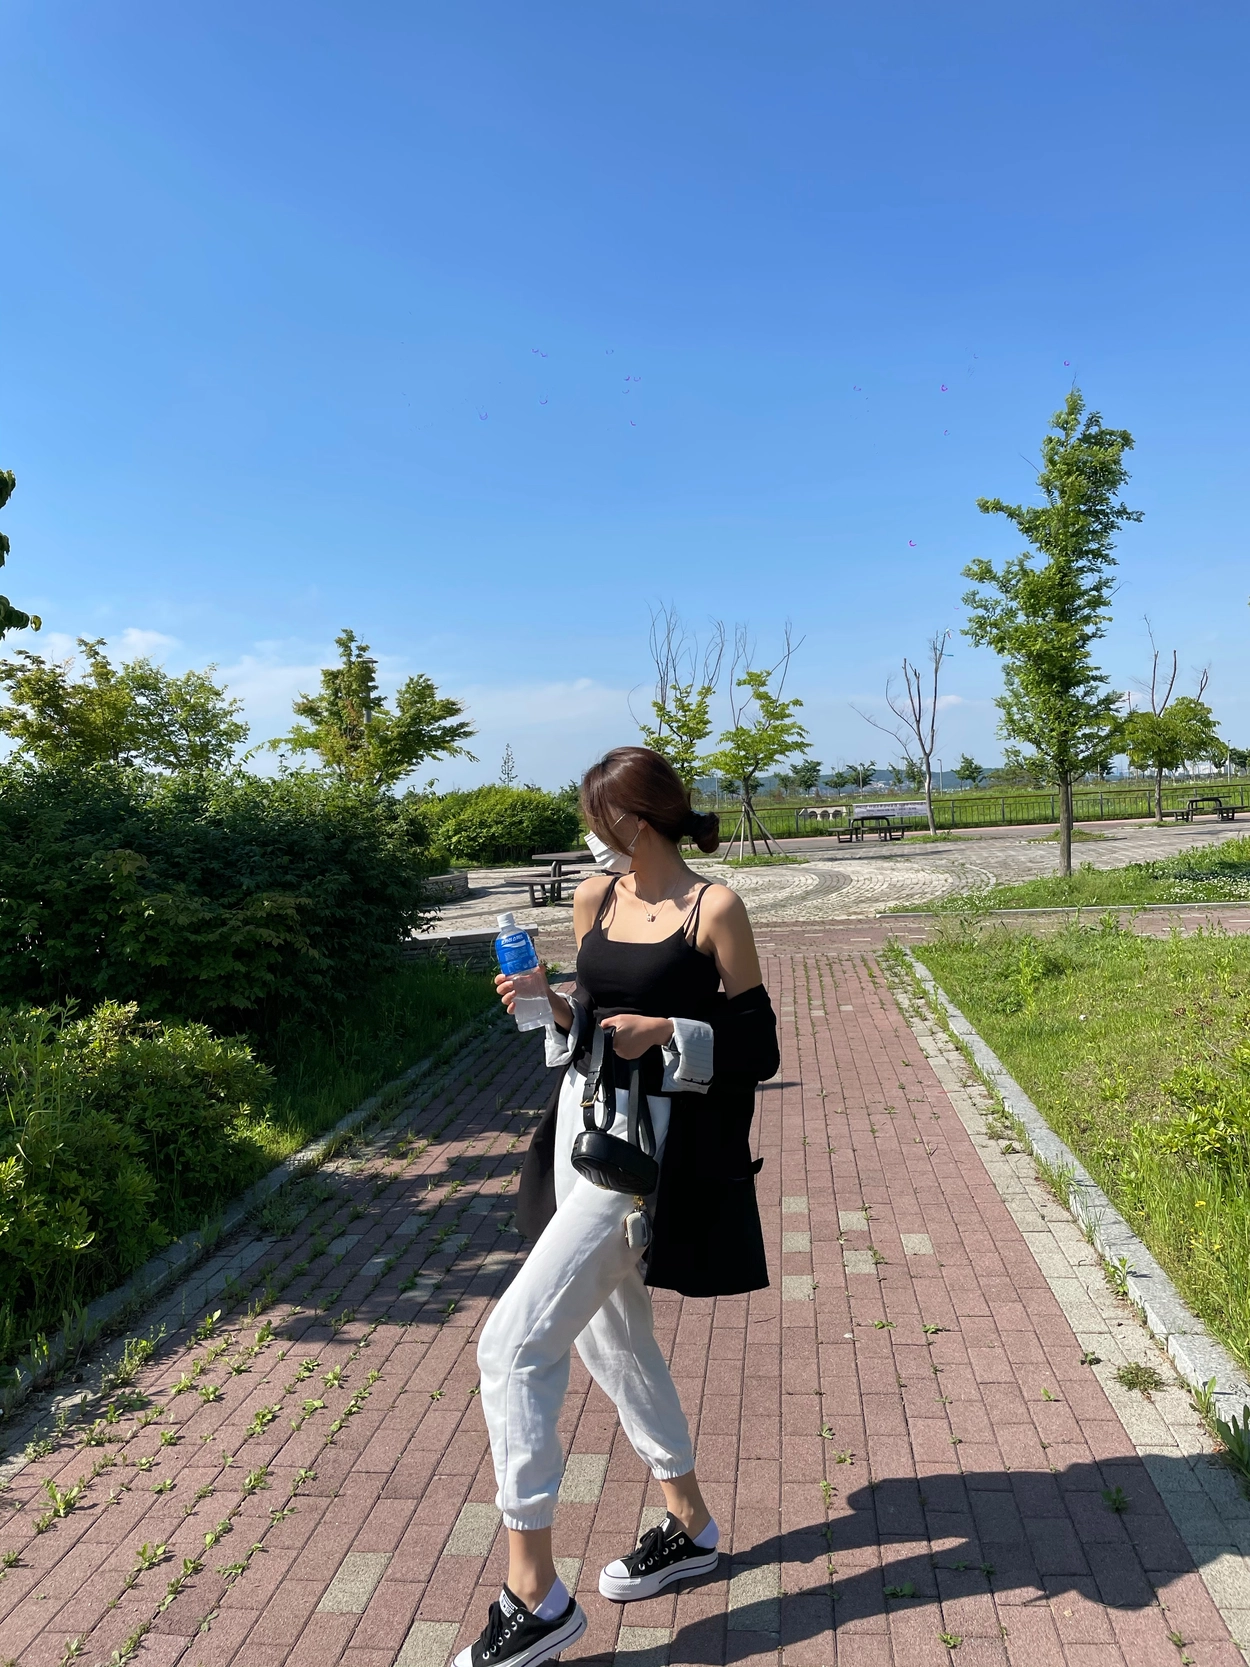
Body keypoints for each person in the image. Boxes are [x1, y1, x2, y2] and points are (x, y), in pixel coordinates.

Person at [454, 746, 779, 1667]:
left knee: (512, 1345)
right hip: (581, 1132)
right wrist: (552, 1005)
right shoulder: (594, 899)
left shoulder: (713, 908)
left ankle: (534, 1597)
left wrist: (671, 1029)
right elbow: (588, 1019)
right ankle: (692, 1524)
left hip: (645, 1160)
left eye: (598, 820)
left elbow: (758, 1045)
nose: (590, 837)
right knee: (610, 1336)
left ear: (636, 820)